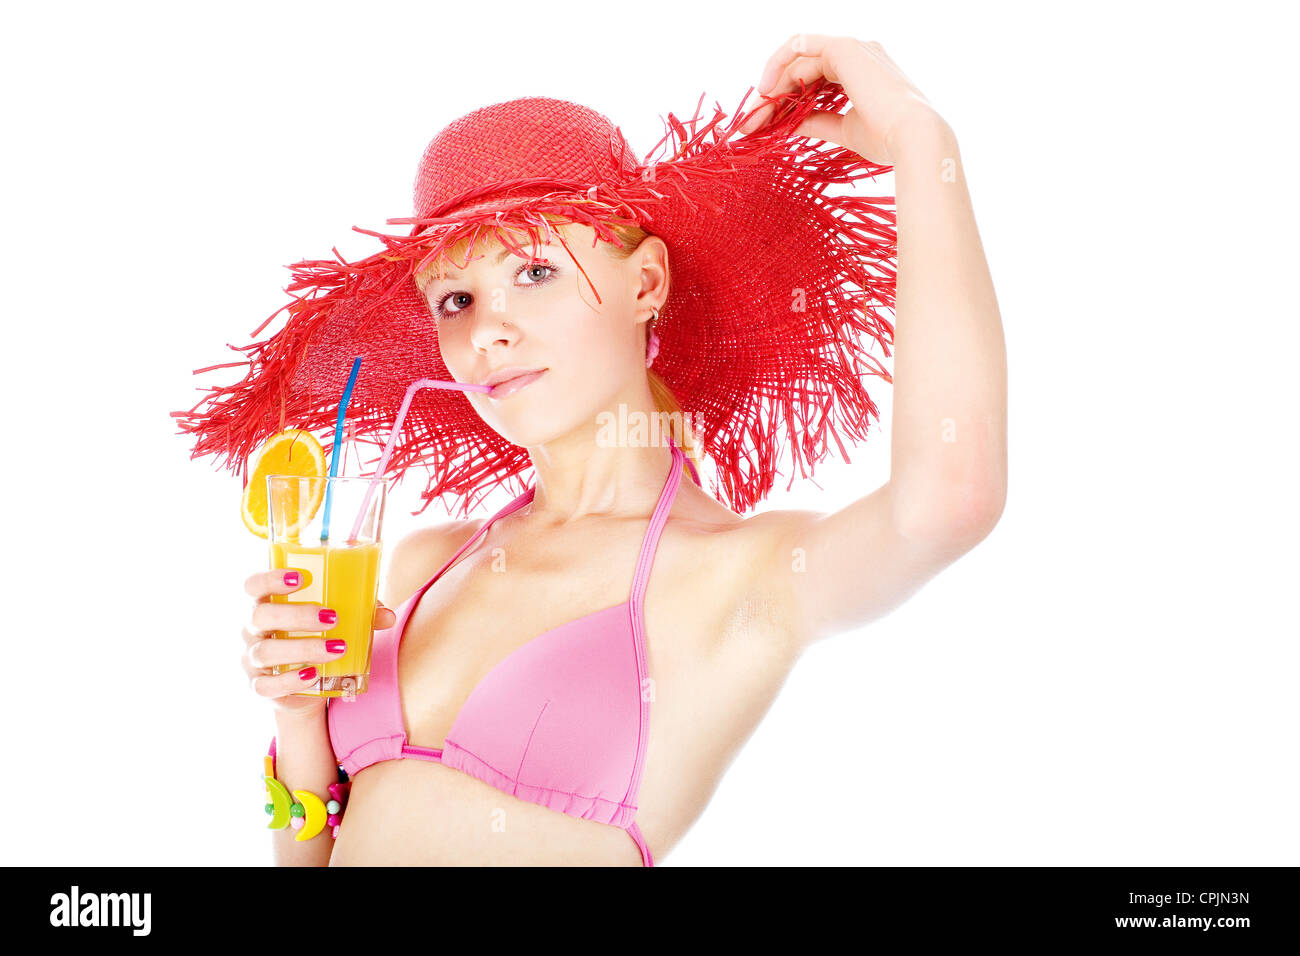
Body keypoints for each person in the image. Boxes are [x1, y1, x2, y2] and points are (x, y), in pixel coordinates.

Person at [186, 34, 1006, 865]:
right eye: (457, 298)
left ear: (645, 284)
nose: (489, 332)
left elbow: (949, 500)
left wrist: (919, 140)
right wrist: (297, 714)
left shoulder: (738, 576)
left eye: (535, 273)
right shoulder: (421, 566)